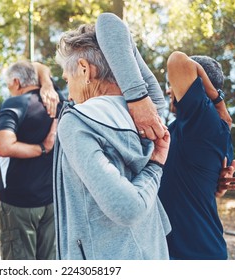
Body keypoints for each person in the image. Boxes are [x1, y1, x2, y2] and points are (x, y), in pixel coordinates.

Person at [53, 24, 171, 260]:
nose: (69, 94)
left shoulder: (77, 121)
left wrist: (156, 168)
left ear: (84, 70)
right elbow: (114, 29)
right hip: (152, 252)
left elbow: (128, 208)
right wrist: (138, 95)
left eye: (67, 80)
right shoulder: (149, 115)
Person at [158, 51, 235, 260]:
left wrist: (218, 101)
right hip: (187, 251)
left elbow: (177, 60)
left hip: (194, 255)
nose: (168, 90)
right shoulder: (191, 127)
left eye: (171, 84)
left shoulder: (204, 122)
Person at [0, 61, 62, 260]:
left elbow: (3, 147)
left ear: (16, 82)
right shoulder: (57, 100)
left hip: (19, 203)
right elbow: (39, 66)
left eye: (8, 85)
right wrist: (47, 84)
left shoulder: (15, 103)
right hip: (51, 200)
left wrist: (42, 148)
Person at [96, 12, 167, 141]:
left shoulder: (148, 112)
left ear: (85, 69)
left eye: (68, 80)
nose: (69, 97)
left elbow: (107, 22)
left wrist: (137, 98)